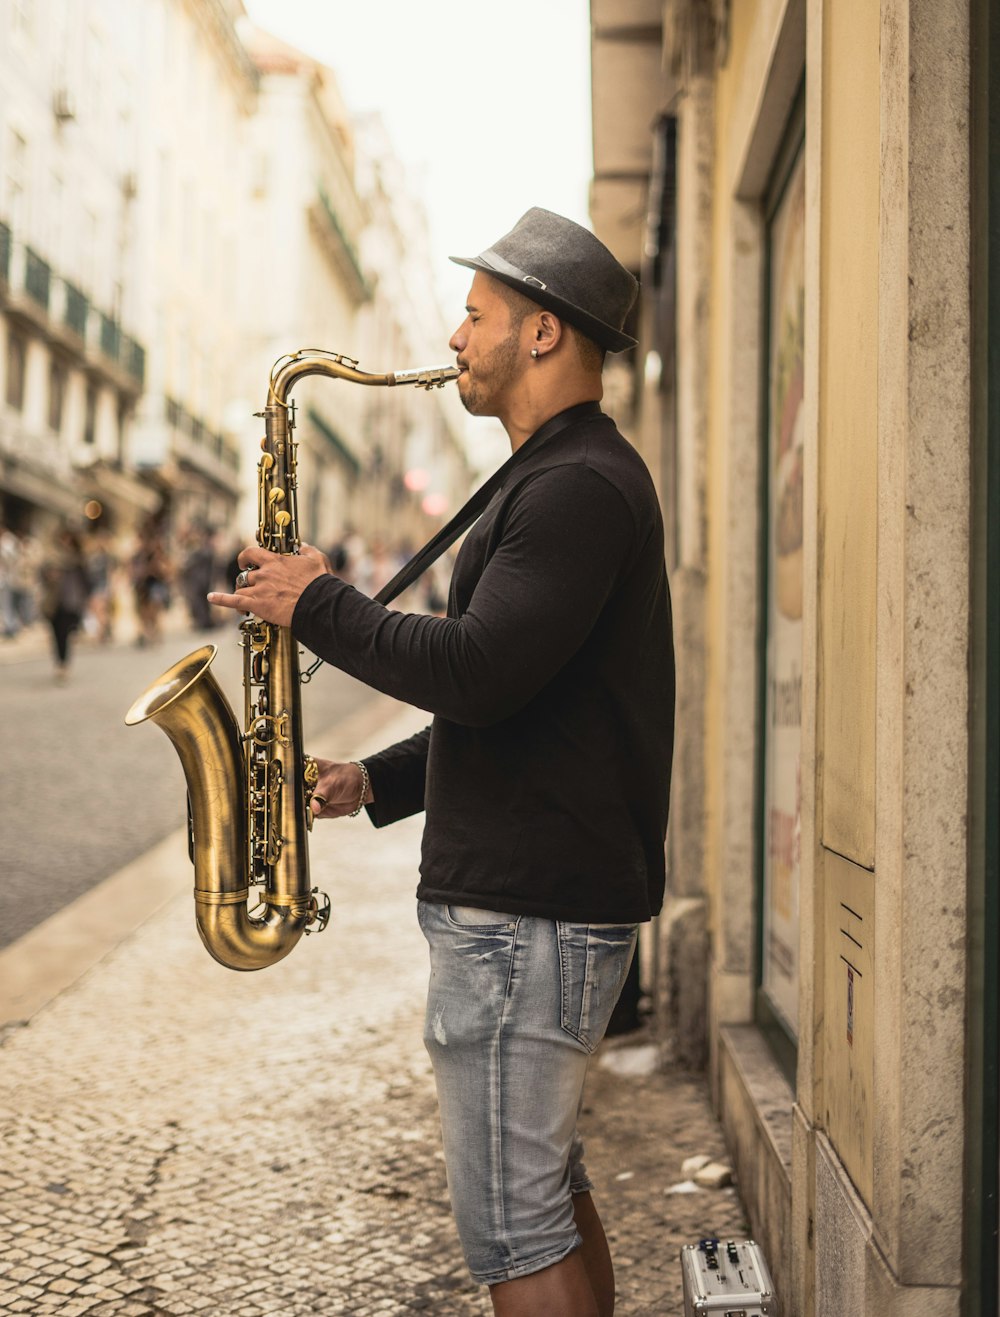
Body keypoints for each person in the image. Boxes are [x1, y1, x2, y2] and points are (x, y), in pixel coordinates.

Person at [208, 208, 675, 1317]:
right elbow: (525, 705)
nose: (453, 338)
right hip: (534, 904)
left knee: (514, 1225)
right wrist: (376, 781)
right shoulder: (556, 478)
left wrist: (314, 601)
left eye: (476, 317)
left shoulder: (574, 488)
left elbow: (475, 671)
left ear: (543, 335)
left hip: (527, 916)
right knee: (544, 1193)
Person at [39, 526, 92, 682]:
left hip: (71, 602)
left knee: (65, 633)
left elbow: (87, 581)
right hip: (54, 602)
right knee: (56, 634)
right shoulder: (52, 557)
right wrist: (50, 576)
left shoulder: (79, 559)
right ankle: (60, 662)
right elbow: (42, 575)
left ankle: (63, 664)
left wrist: (86, 598)